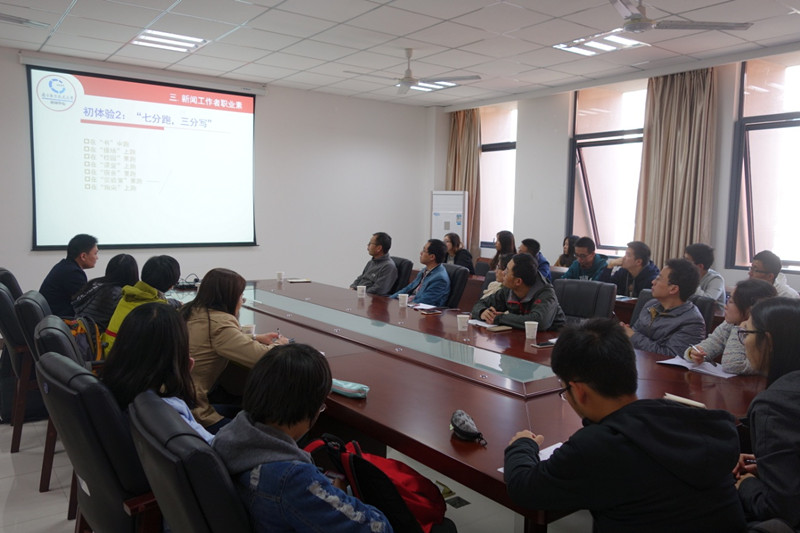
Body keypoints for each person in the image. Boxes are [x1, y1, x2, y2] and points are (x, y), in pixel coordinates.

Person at [504, 318, 745, 533]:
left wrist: (523, 445)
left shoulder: (599, 446)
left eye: (564, 390)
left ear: (578, 390)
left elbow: (524, 488)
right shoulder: (689, 419)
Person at [213, 343, 393, 533]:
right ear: (310, 410)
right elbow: (378, 528)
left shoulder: (227, 436)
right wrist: (334, 495)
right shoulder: (292, 479)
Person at [181, 268, 289, 434]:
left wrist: (255, 337)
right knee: (262, 427)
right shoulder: (219, 323)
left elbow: (216, 340)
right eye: (240, 296)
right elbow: (262, 357)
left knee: (242, 409)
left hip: (175, 403)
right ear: (229, 298)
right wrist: (280, 345)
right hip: (195, 413)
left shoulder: (190, 310)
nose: (242, 301)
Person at [100, 302, 213, 443]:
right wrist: (181, 379)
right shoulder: (167, 412)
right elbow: (218, 449)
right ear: (176, 355)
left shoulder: (108, 394)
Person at [735, 297, 800, 528]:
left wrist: (746, 484)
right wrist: (766, 465)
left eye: (747, 333)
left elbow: (781, 510)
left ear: (769, 341)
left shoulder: (775, 406)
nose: (744, 343)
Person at [685, 278, 776, 374]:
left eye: (731, 301)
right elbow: (709, 345)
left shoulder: (765, 335)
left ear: (751, 309)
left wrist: (740, 329)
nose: (725, 306)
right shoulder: (729, 325)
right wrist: (693, 353)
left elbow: (733, 366)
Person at [623, 258, 706, 356]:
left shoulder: (692, 322)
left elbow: (669, 355)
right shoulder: (650, 305)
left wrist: (632, 336)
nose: (653, 282)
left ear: (673, 289)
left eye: (658, 279)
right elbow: (634, 333)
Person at [101, 255, 180, 355]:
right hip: (126, 359)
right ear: (171, 285)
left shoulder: (127, 296)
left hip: (109, 353)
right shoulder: (159, 311)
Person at [471, 253, 566, 331]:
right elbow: (480, 304)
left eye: (507, 271)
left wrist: (499, 318)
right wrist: (482, 312)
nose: (503, 273)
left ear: (518, 282)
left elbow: (538, 322)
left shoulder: (546, 293)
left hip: (550, 342)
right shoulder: (508, 290)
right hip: (520, 338)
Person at [71, 253, 139, 331]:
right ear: (133, 274)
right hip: (95, 336)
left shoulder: (94, 284)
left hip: (77, 331)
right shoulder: (118, 294)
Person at [39, 233, 99, 317]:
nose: (97, 257)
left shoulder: (65, 266)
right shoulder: (73, 273)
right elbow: (87, 304)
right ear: (83, 256)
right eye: (95, 253)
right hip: (60, 320)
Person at [391, 239, 450, 307]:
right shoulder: (425, 270)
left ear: (432, 257)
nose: (421, 253)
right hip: (410, 304)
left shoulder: (440, 279)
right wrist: (390, 299)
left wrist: (406, 305)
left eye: (424, 251)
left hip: (420, 310)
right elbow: (408, 288)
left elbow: (425, 301)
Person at [350, 232, 398, 296]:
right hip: (360, 295)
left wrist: (359, 292)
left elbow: (379, 290)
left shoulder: (388, 267)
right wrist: (353, 287)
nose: (368, 246)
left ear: (379, 248)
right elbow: (361, 278)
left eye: (370, 244)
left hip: (369, 299)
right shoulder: (371, 262)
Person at [684, 243, 726, 310]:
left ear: (700, 266)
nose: (683, 263)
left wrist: (691, 281)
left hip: (712, 315)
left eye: (687, 260)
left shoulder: (716, 279)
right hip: (689, 310)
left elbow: (706, 301)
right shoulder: (684, 274)